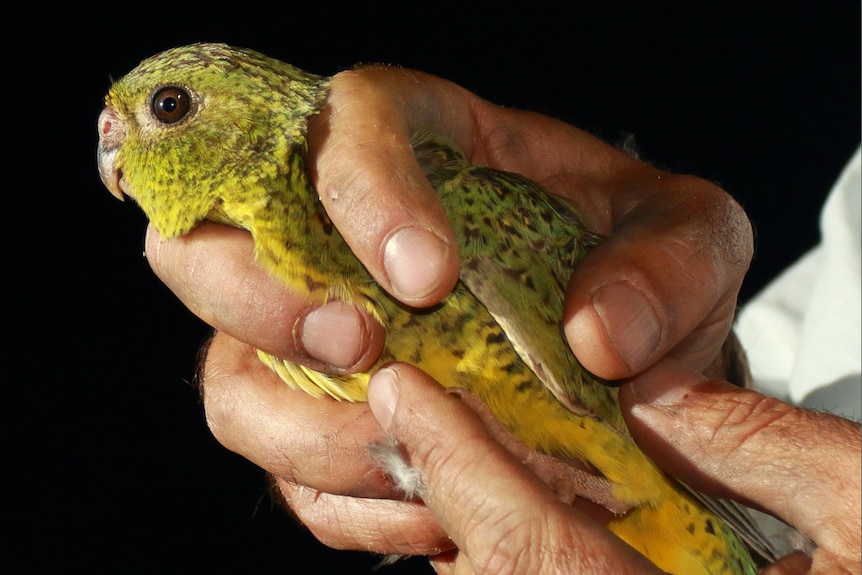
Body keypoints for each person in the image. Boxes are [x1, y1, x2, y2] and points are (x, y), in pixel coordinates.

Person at [144, 66, 861, 574]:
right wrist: (717, 366)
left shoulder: (460, 214)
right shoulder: (298, 310)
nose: (113, 138)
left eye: (168, 107)